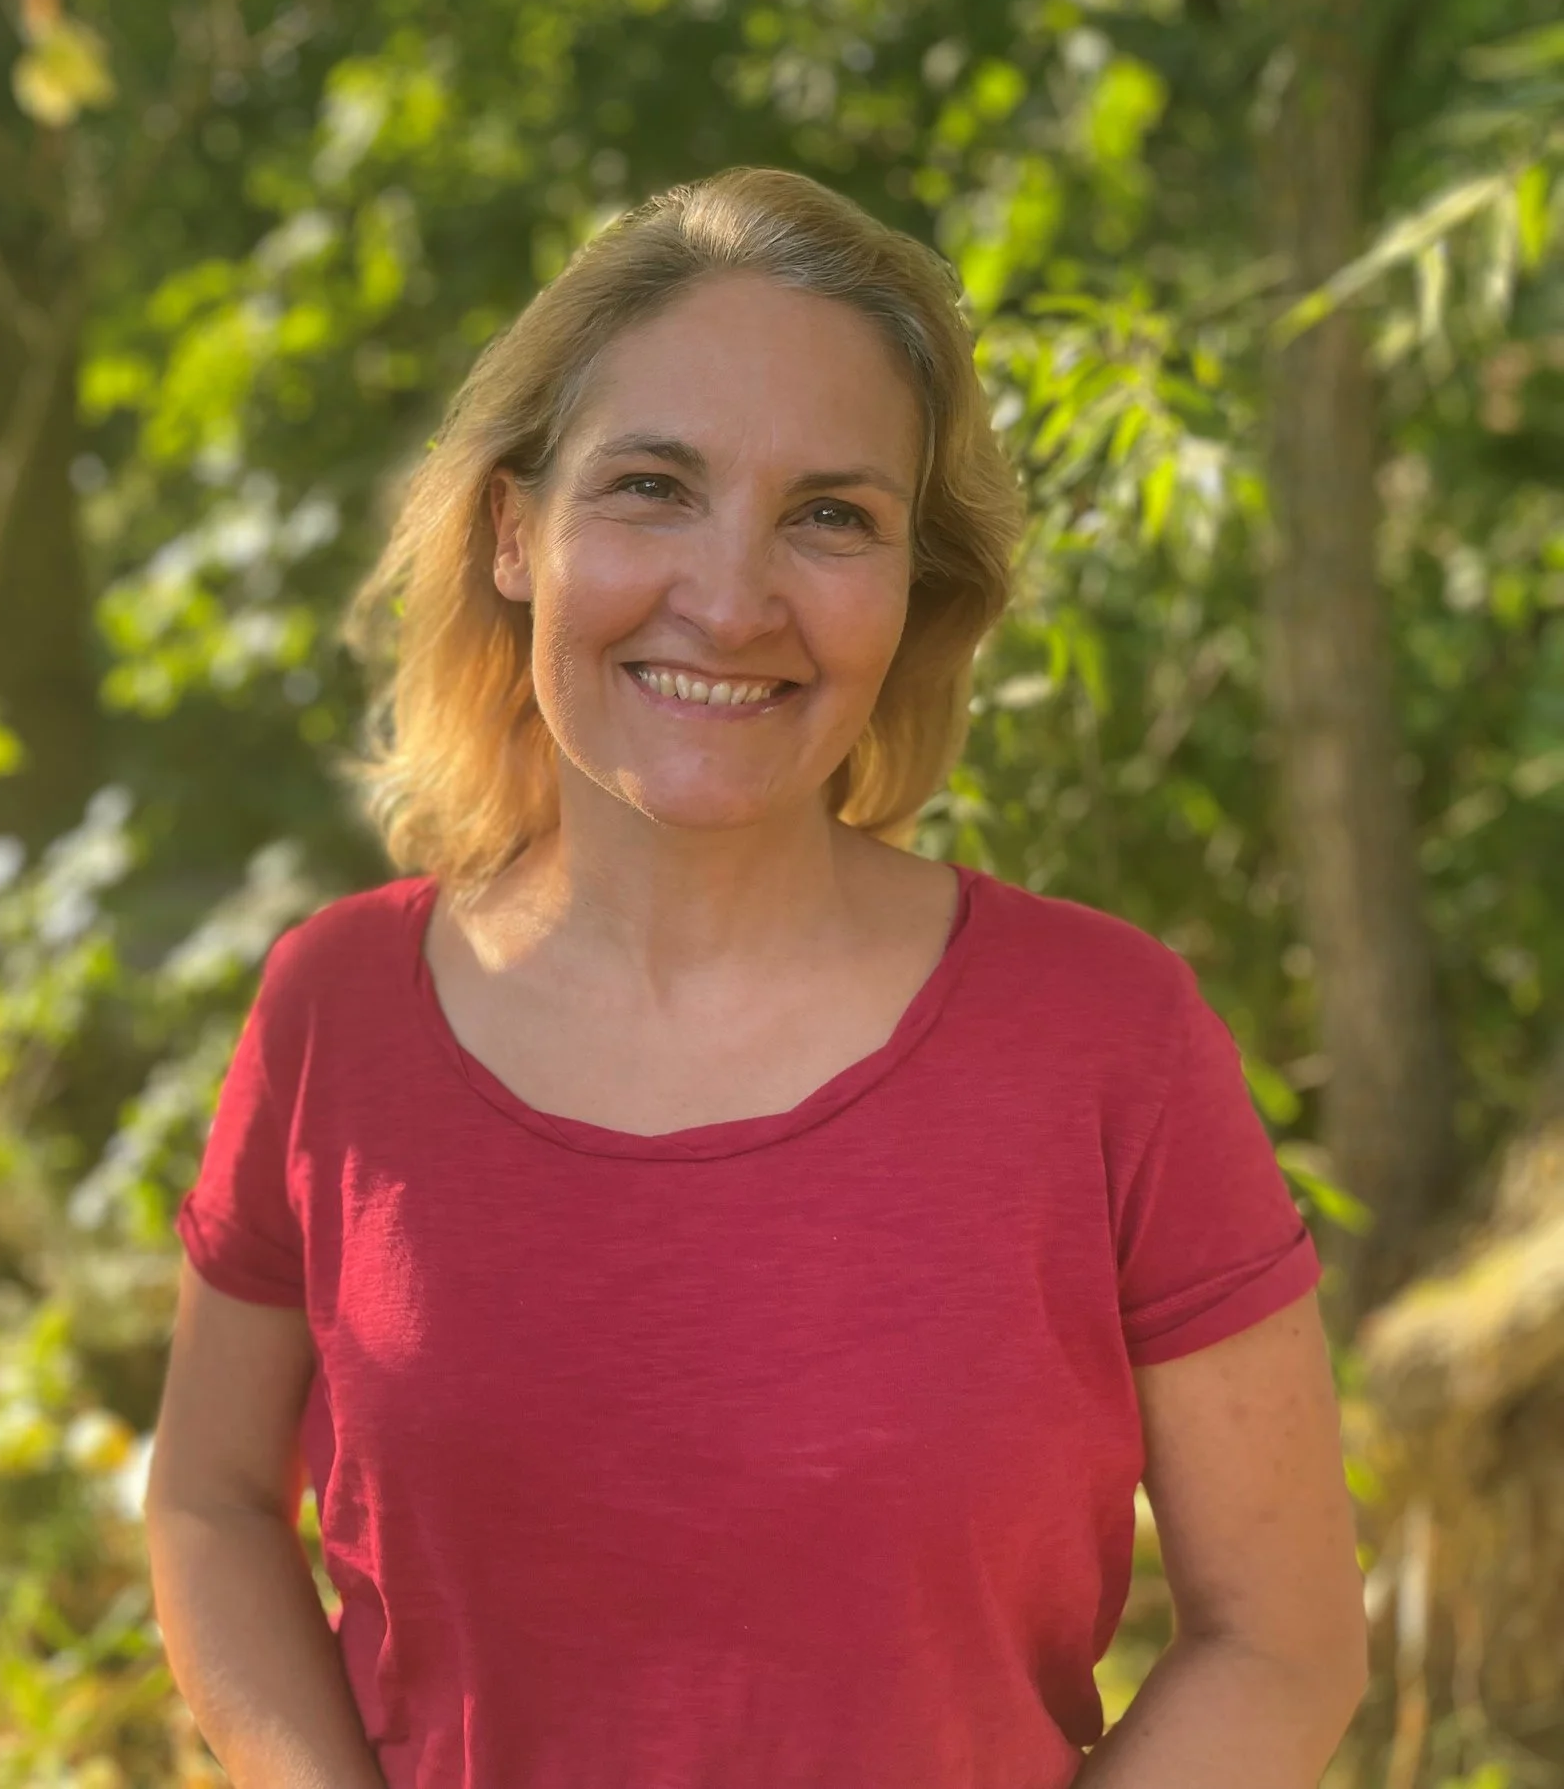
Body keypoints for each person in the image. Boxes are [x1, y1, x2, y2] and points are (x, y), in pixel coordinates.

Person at [142, 167, 1367, 1789]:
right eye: (653, 485)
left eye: (830, 515)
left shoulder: (1105, 1042)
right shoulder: (336, 1011)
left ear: (913, 591)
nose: (731, 597)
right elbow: (211, 1498)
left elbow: (1282, 1641)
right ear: (516, 532)